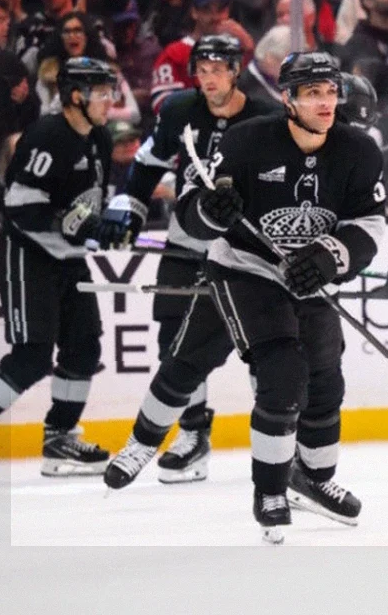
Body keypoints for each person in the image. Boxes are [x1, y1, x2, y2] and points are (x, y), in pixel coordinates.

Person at [166, 52, 385, 542]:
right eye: (313, 93)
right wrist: (210, 212)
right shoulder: (251, 141)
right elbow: (195, 213)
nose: (326, 103)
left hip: (313, 279)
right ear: (288, 98)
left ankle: (316, 479)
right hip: (253, 273)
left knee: (326, 381)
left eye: (331, 92)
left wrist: (330, 258)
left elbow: (367, 224)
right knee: (282, 376)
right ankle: (270, 490)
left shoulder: (356, 150)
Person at [0, 57, 126, 483]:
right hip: (29, 257)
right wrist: (73, 223)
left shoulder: (98, 138)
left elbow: (87, 205)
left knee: (84, 348)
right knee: (33, 355)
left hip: (69, 260)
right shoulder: (46, 136)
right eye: (101, 92)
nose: (110, 101)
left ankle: (59, 437)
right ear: (75, 96)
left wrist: (104, 225)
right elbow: (20, 206)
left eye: (110, 91)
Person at [102, 34, 284, 488]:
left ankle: (280, 436)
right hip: (187, 239)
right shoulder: (179, 110)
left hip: (245, 251)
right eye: (202, 70)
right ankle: (192, 434)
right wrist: (130, 207)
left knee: (265, 343)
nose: (208, 79)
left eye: (217, 69)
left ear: (235, 71)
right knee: (175, 336)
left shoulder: (266, 117)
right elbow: (148, 163)